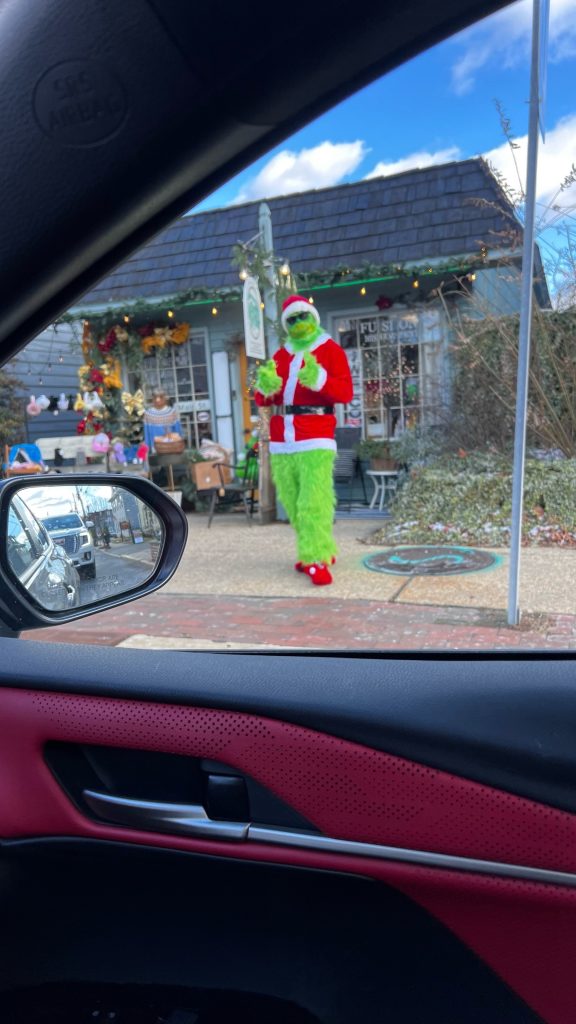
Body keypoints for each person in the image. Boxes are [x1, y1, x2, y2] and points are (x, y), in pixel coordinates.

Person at [254, 294, 353, 586]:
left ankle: (315, 559)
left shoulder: (330, 350)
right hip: (281, 438)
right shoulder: (281, 355)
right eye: (292, 319)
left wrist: (319, 379)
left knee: (314, 501)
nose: (299, 323)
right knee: (293, 502)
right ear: (286, 325)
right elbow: (263, 397)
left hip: (315, 436)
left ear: (314, 318)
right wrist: (265, 387)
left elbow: (345, 393)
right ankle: (318, 547)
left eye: (303, 316)